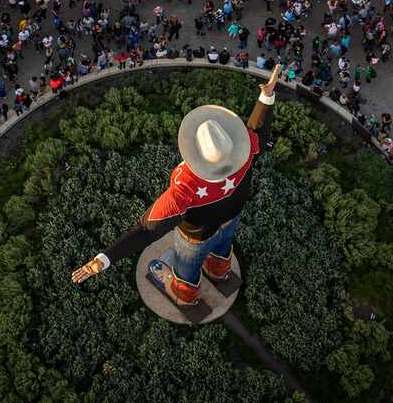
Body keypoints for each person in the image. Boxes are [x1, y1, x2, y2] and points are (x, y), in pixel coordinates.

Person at [72, 66, 280, 306]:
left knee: (187, 270)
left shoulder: (185, 191)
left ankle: (186, 293)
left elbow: (146, 230)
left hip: (196, 239)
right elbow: (258, 132)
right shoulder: (244, 155)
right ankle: (219, 269)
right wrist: (266, 97)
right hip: (231, 221)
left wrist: (104, 258)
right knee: (223, 248)